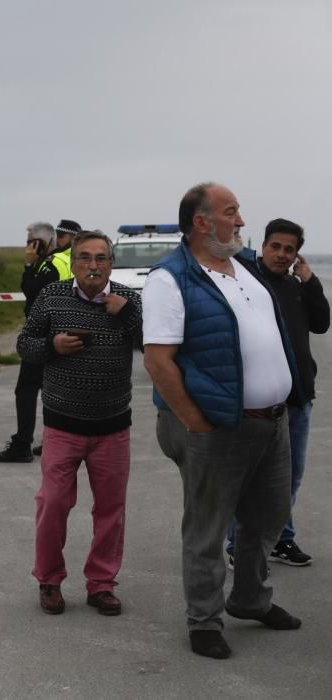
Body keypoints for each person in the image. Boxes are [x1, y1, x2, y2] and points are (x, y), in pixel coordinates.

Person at [143, 183, 302, 660]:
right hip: (216, 426)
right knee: (208, 530)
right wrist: (197, 424)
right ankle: (204, 621)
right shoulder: (171, 279)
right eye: (231, 212)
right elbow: (158, 361)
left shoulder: (244, 268)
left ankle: (250, 600)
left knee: (266, 520)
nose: (241, 220)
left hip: (271, 423)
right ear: (201, 222)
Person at [17, 230, 142, 616]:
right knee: (53, 504)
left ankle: (101, 585)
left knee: (110, 511)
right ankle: (49, 580)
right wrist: (51, 346)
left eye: (101, 258)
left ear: (111, 264)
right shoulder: (52, 297)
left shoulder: (129, 299)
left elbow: (152, 344)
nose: (93, 265)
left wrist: (128, 315)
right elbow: (24, 344)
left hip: (113, 427)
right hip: (62, 426)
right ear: (72, 263)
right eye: (85, 257)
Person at [226, 219, 330, 567]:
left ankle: (281, 539)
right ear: (263, 246)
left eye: (290, 249)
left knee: (290, 477)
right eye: (276, 246)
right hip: (255, 403)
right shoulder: (246, 281)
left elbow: (321, 323)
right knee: (245, 478)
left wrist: (310, 280)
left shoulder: (295, 286)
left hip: (297, 398)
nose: (282, 254)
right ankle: (235, 542)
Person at [0, 220, 79, 463]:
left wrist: (29, 265)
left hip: (44, 336)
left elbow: (32, 293)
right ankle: (55, 440)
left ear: (41, 242)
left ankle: (22, 444)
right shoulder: (65, 261)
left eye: (31, 241)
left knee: (27, 390)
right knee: (55, 390)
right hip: (62, 331)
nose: (28, 246)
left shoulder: (50, 265)